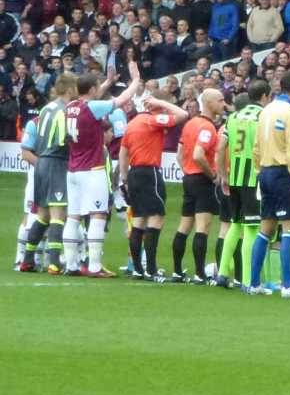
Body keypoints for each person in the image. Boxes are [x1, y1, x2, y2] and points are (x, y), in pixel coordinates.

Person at [64, 69, 139, 278]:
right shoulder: (93, 107)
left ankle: (71, 264)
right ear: (92, 89)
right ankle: (95, 266)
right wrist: (135, 80)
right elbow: (122, 99)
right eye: (98, 86)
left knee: (73, 216)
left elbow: (90, 99)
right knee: (98, 215)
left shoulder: (70, 107)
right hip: (92, 169)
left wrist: (106, 82)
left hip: (73, 170)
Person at [118, 91, 188, 282]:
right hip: (149, 173)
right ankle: (151, 269)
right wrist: (160, 103)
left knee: (138, 221)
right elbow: (183, 115)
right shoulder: (152, 120)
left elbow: (123, 153)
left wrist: (125, 179)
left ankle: (138, 269)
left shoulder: (131, 124)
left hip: (133, 174)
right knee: (156, 219)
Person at [251, 69, 290, 297]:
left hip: (264, 171)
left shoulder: (266, 111)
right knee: (288, 229)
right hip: (283, 172)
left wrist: (259, 169)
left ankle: (254, 283)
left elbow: (255, 146)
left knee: (265, 229)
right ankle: (288, 285)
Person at [215, 81, 269, 290]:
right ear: (264, 96)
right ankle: (247, 280)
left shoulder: (234, 117)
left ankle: (222, 273)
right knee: (251, 228)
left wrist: (222, 174)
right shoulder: (263, 117)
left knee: (234, 224)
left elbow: (221, 148)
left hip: (234, 177)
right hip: (252, 179)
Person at [173, 88, 226, 283]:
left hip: (188, 178)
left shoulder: (190, 123)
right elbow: (198, 154)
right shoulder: (207, 127)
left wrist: (187, 171)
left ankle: (178, 272)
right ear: (210, 104)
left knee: (184, 226)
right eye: (220, 100)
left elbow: (180, 154)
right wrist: (212, 175)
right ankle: (199, 274)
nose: (223, 103)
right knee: (202, 227)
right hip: (202, 180)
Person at [21, 77, 73, 274]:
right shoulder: (63, 111)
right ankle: (53, 262)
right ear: (69, 89)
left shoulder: (46, 109)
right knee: (58, 214)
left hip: (41, 162)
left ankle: (27, 259)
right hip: (56, 162)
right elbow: (62, 140)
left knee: (42, 214)